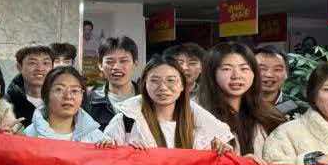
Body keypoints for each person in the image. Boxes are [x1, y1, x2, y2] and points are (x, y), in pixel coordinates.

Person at [100, 57, 234, 152]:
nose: (163, 87)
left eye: (171, 80)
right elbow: (106, 159)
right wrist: (115, 148)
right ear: (144, 84)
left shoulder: (202, 125)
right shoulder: (126, 120)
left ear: (182, 86)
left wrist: (220, 151)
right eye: (155, 81)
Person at [196, 42, 285, 157]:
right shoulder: (197, 114)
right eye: (227, 69)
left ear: (254, 74)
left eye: (244, 68)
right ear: (212, 74)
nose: (236, 75)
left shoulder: (270, 116)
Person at [25, 65, 104, 142]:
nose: (68, 96)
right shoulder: (28, 136)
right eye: (59, 89)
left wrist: (107, 147)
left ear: (82, 96)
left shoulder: (96, 138)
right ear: (46, 94)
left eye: (74, 90)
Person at [84, 37, 140, 128]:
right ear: (100, 65)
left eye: (123, 61)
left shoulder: (148, 98)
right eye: (110, 62)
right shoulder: (90, 99)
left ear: (135, 64)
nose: (116, 67)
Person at [5, 44, 55, 125]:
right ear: (19, 67)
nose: (40, 68)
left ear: (52, 67)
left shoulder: (64, 100)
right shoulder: (6, 104)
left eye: (45, 63)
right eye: (33, 63)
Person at [255, 45, 305, 116]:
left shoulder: (300, 108)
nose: (269, 75)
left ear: (286, 74)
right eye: (262, 69)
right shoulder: (240, 104)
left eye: (277, 69)